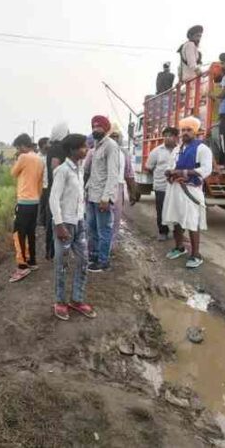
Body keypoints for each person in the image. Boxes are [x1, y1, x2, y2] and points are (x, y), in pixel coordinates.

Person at [49, 133, 96, 321]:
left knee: (83, 260)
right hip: (64, 224)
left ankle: (77, 299)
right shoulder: (62, 171)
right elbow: (53, 199)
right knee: (62, 265)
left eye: (86, 146)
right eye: (83, 146)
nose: (86, 149)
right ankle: (60, 302)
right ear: (72, 150)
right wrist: (59, 225)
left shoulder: (79, 168)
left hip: (79, 222)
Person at [162, 116, 213, 269]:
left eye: (189, 130)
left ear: (195, 132)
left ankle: (196, 255)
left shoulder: (202, 149)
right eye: (183, 130)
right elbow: (170, 165)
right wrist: (170, 174)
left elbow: (206, 170)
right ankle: (179, 247)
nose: (185, 133)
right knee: (176, 220)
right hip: (175, 190)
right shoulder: (178, 149)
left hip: (191, 190)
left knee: (192, 222)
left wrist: (182, 172)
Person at [85, 115, 119, 273]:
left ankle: (103, 261)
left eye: (98, 127)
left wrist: (106, 198)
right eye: (93, 127)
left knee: (104, 229)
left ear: (106, 129)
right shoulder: (96, 146)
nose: (95, 130)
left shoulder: (111, 146)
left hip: (102, 198)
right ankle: (95, 256)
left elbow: (113, 175)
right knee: (91, 228)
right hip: (92, 195)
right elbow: (94, 173)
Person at [9, 133, 44, 283]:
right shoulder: (39, 159)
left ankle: (22, 266)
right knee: (30, 232)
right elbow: (40, 183)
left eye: (18, 147)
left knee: (18, 234)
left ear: (22, 146)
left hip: (24, 201)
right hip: (35, 201)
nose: (18, 150)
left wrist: (17, 157)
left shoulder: (23, 158)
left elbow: (13, 173)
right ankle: (32, 261)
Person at [145, 127, 178, 241]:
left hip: (177, 187)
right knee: (161, 210)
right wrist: (160, 175)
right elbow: (149, 167)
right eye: (166, 135)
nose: (167, 138)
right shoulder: (156, 151)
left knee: (177, 210)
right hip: (161, 186)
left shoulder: (180, 150)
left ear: (176, 137)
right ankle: (163, 232)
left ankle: (177, 232)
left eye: (170, 135)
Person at [108, 122, 137, 247]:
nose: (114, 139)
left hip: (118, 189)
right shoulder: (96, 151)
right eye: (111, 136)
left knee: (115, 220)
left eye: (116, 136)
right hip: (100, 189)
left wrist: (132, 193)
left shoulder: (124, 153)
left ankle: (110, 247)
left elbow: (129, 175)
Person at [45, 123, 69, 260]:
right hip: (57, 190)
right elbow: (55, 167)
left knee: (54, 219)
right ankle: (53, 251)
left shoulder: (53, 148)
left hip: (53, 189)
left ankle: (52, 251)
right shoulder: (58, 149)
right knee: (56, 219)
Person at [37, 137, 50, 228]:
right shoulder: (37, 158)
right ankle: (41, 222)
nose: (49, 145)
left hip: (49, 183)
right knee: (42, 204)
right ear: (42, 146)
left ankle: (46, 221)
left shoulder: (50, 156)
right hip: (41, 184)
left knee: (48, 204)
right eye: (47, 144)